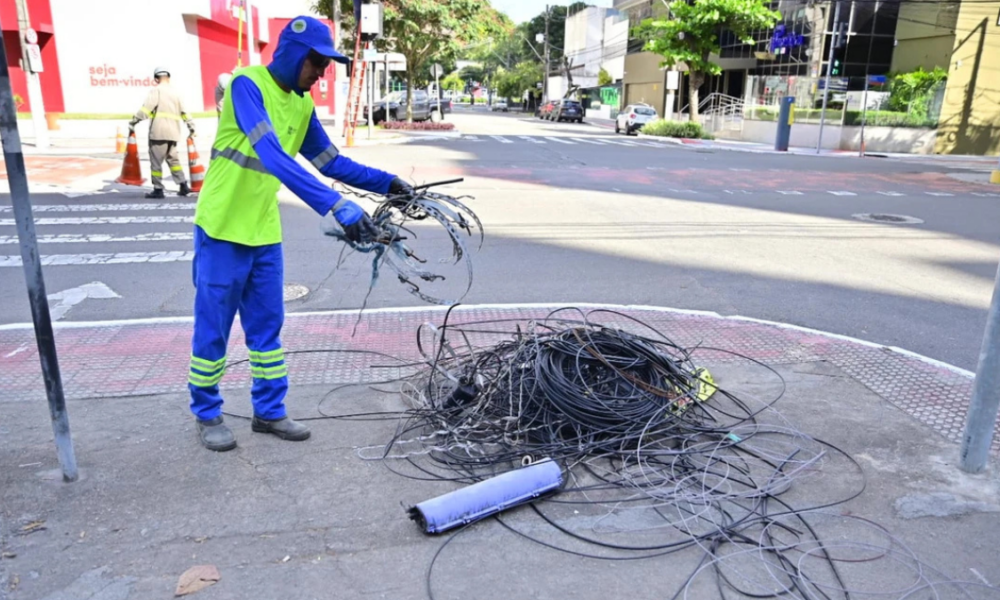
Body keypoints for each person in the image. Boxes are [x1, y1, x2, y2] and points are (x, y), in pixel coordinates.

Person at [188, 16, 413, 451]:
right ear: (293, 54)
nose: (321, 73)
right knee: (213, 328)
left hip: (263, 232)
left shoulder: (303, 105)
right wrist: (337, 205)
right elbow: (272, 154)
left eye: (326, 65)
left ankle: (269, 412)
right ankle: (207, 412)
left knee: (267, 330)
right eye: (316, 63)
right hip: (220, 227)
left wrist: (389, 183)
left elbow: (331, 162)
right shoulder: (246, 86)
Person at [129, 67, 195, 199]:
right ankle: (183, 185)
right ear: (168, 78)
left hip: (159, 132)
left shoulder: (156, 90)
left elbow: (146, 109)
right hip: (174, 132)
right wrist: (191, 127)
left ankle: (158, 189)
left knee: (156, 162)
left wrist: (134, 121)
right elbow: (184, 112)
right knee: (173, 160)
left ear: (156, 79)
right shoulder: (176, 92)